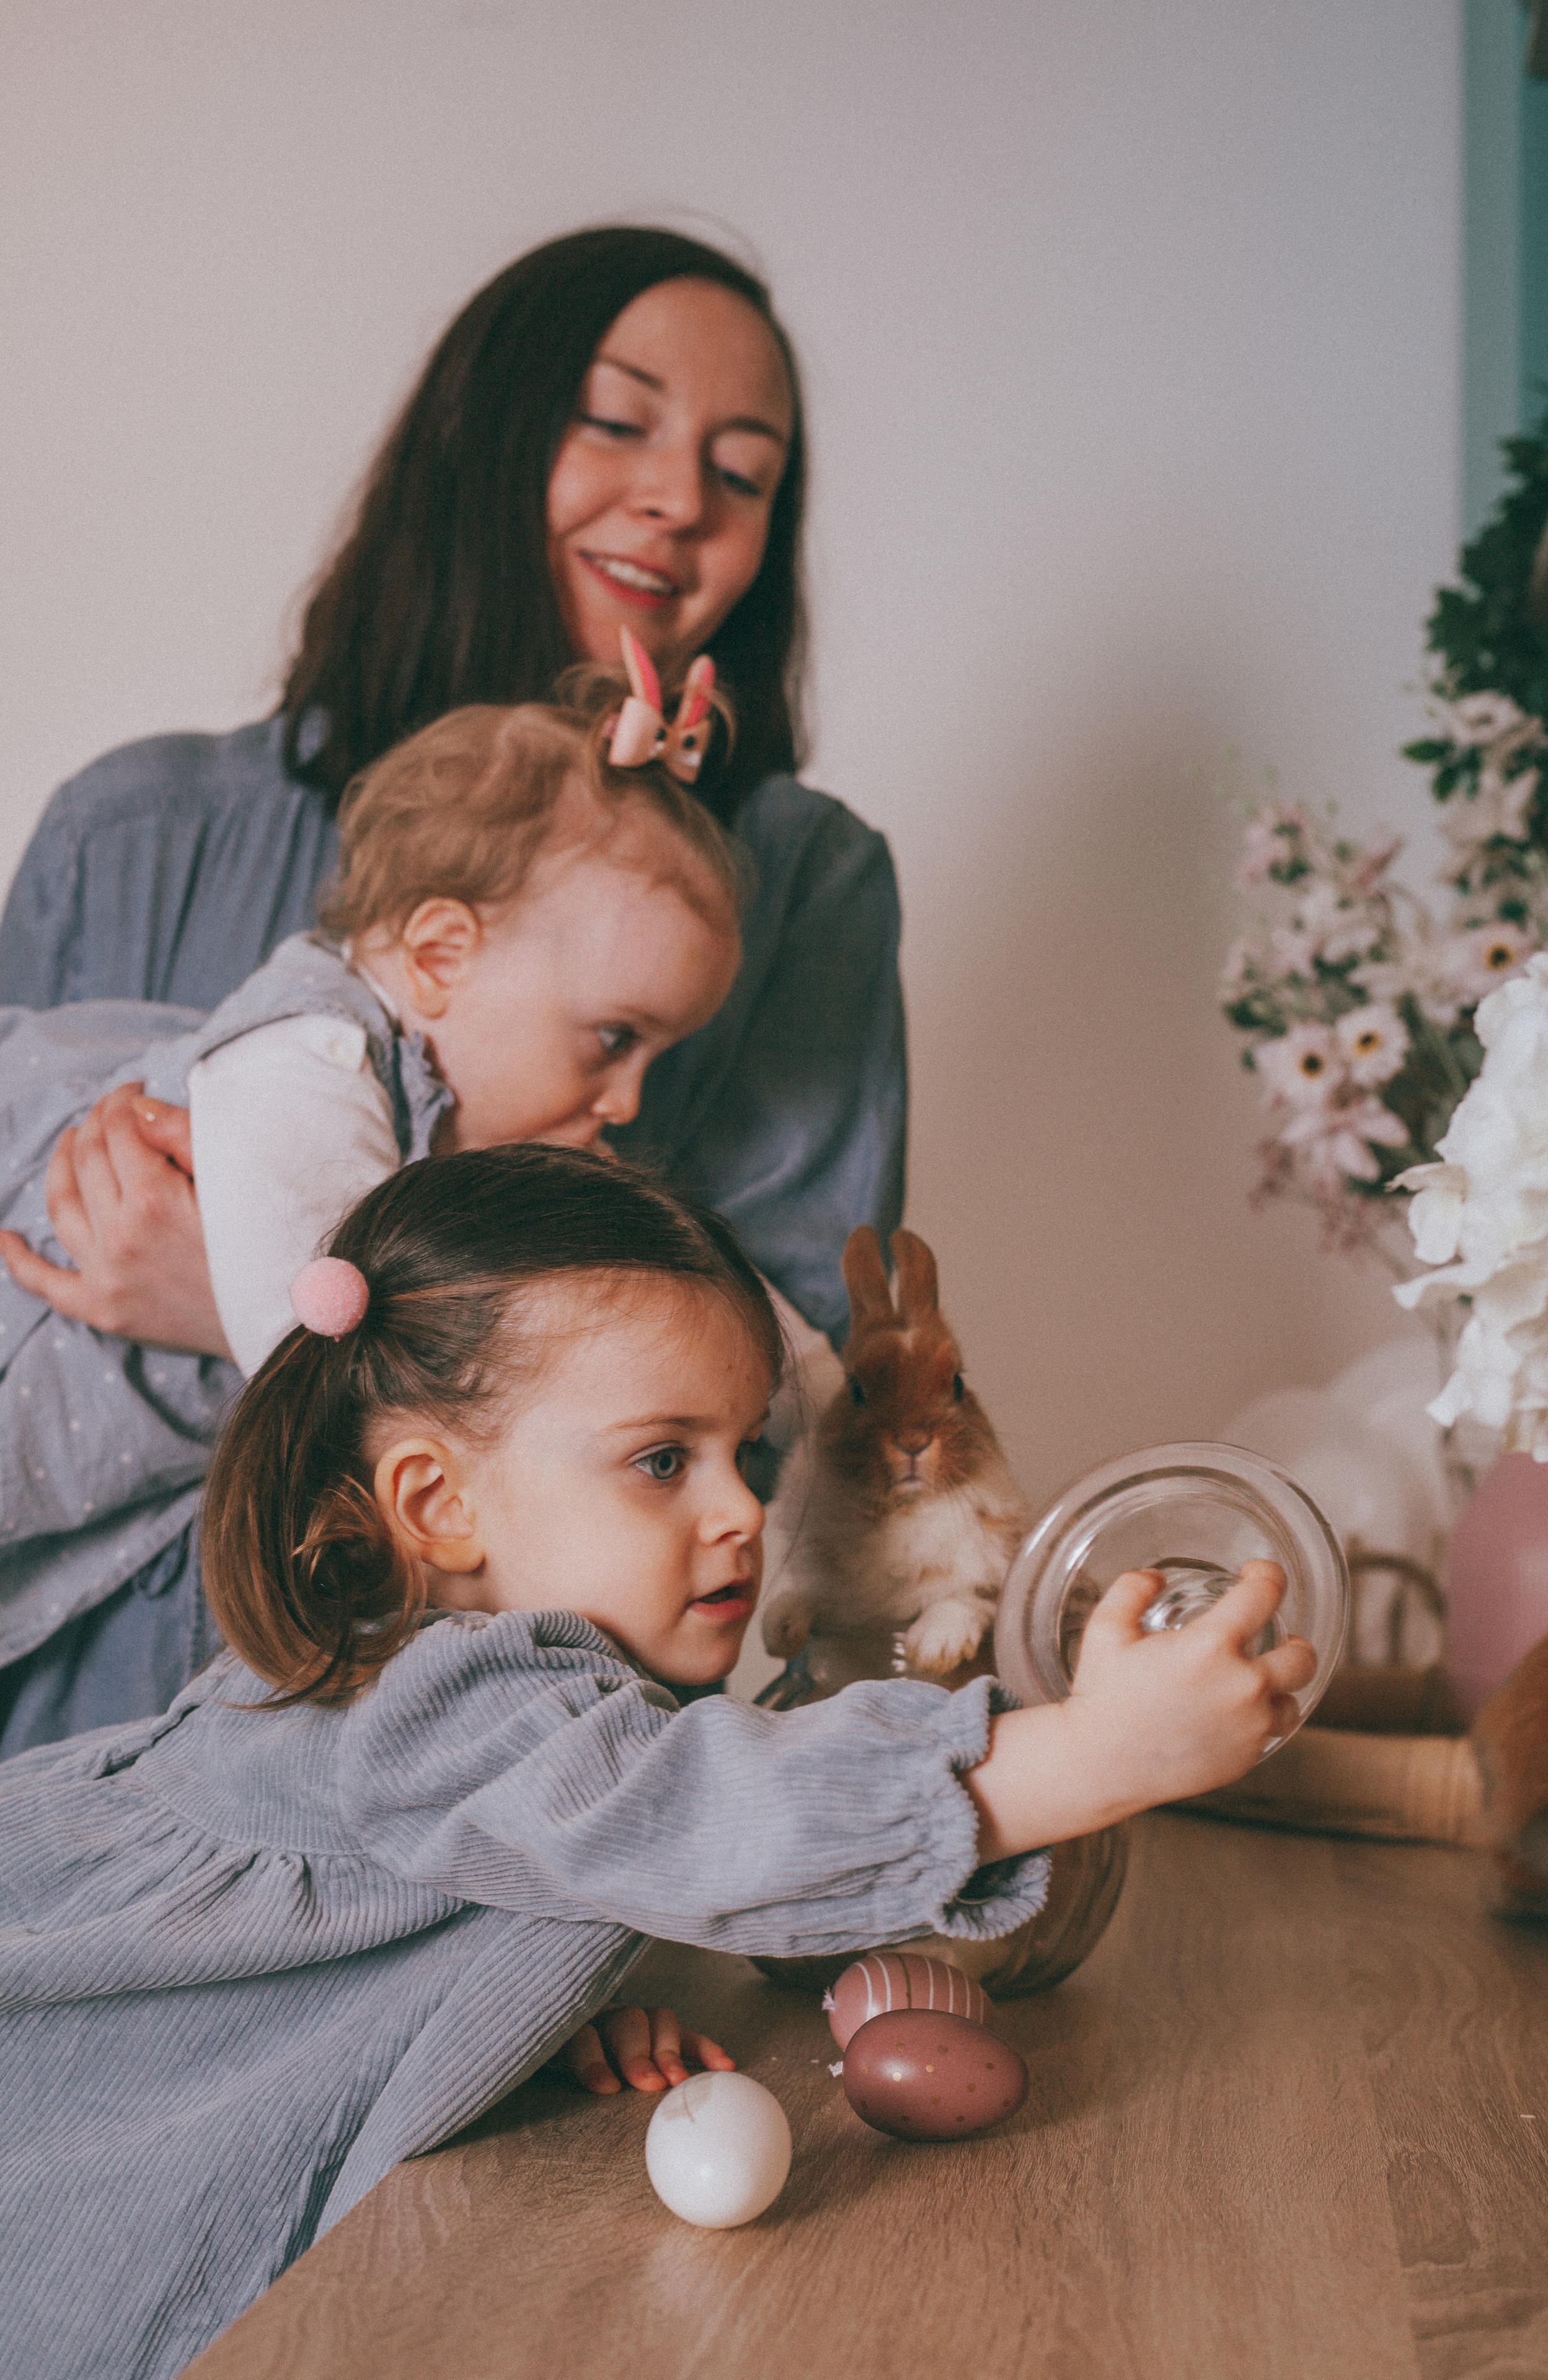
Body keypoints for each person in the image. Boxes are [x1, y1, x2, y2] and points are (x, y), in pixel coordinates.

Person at [0, 1142, 1316, 2380]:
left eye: (742, 1453)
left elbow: (504, 1864)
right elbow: (711, 1813)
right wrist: (1097, 1750)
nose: (741, 1508)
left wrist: (528, 1993)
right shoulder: (448, 1699)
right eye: (661, 1461)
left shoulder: (457, 1691)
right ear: (435, 1506)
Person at [0, 224, 901, 1747]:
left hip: (471, 1778)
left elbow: (770, 1410)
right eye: (616, 421)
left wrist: (225, 1309)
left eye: (743, 474)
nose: (680, 498)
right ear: (479, 446)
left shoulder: (795, 889)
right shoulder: (136, 830)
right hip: (60, 1751)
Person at [0, 684, 745, 1685]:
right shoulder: (307, 1063)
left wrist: (822, 1375)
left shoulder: (429, 1113)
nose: (628, 1100)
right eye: (614, 1040)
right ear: (441, 954)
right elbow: (357, 1376)